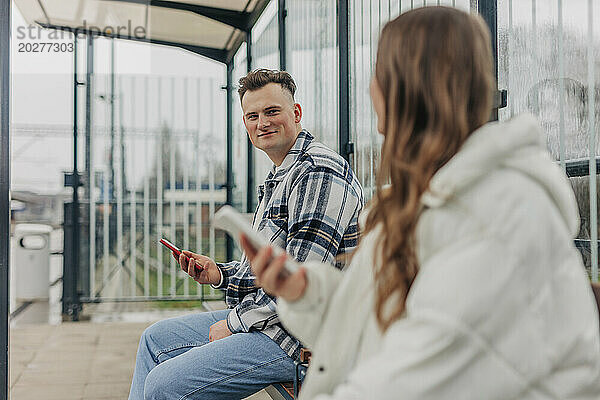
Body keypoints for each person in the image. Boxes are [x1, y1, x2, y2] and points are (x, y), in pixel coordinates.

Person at [243, 7, 600, 399]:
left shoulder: (500, 214)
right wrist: (301, 291)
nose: (369, 87)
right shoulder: (426, 196)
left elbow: (407, 381)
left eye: (378, 71)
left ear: (407, 87)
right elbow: (370, 321)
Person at [128, 69, 364, 399]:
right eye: (252, 116)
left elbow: (299, 283)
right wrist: (218, 274)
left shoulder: (317, 171)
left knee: (164, 386)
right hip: (270, 321)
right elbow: (267, 271)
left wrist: (234, 324)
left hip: (298, 335)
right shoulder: (282, 174)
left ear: (296, 113)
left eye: (271, 112)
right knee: (154, 340)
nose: (262, 123)